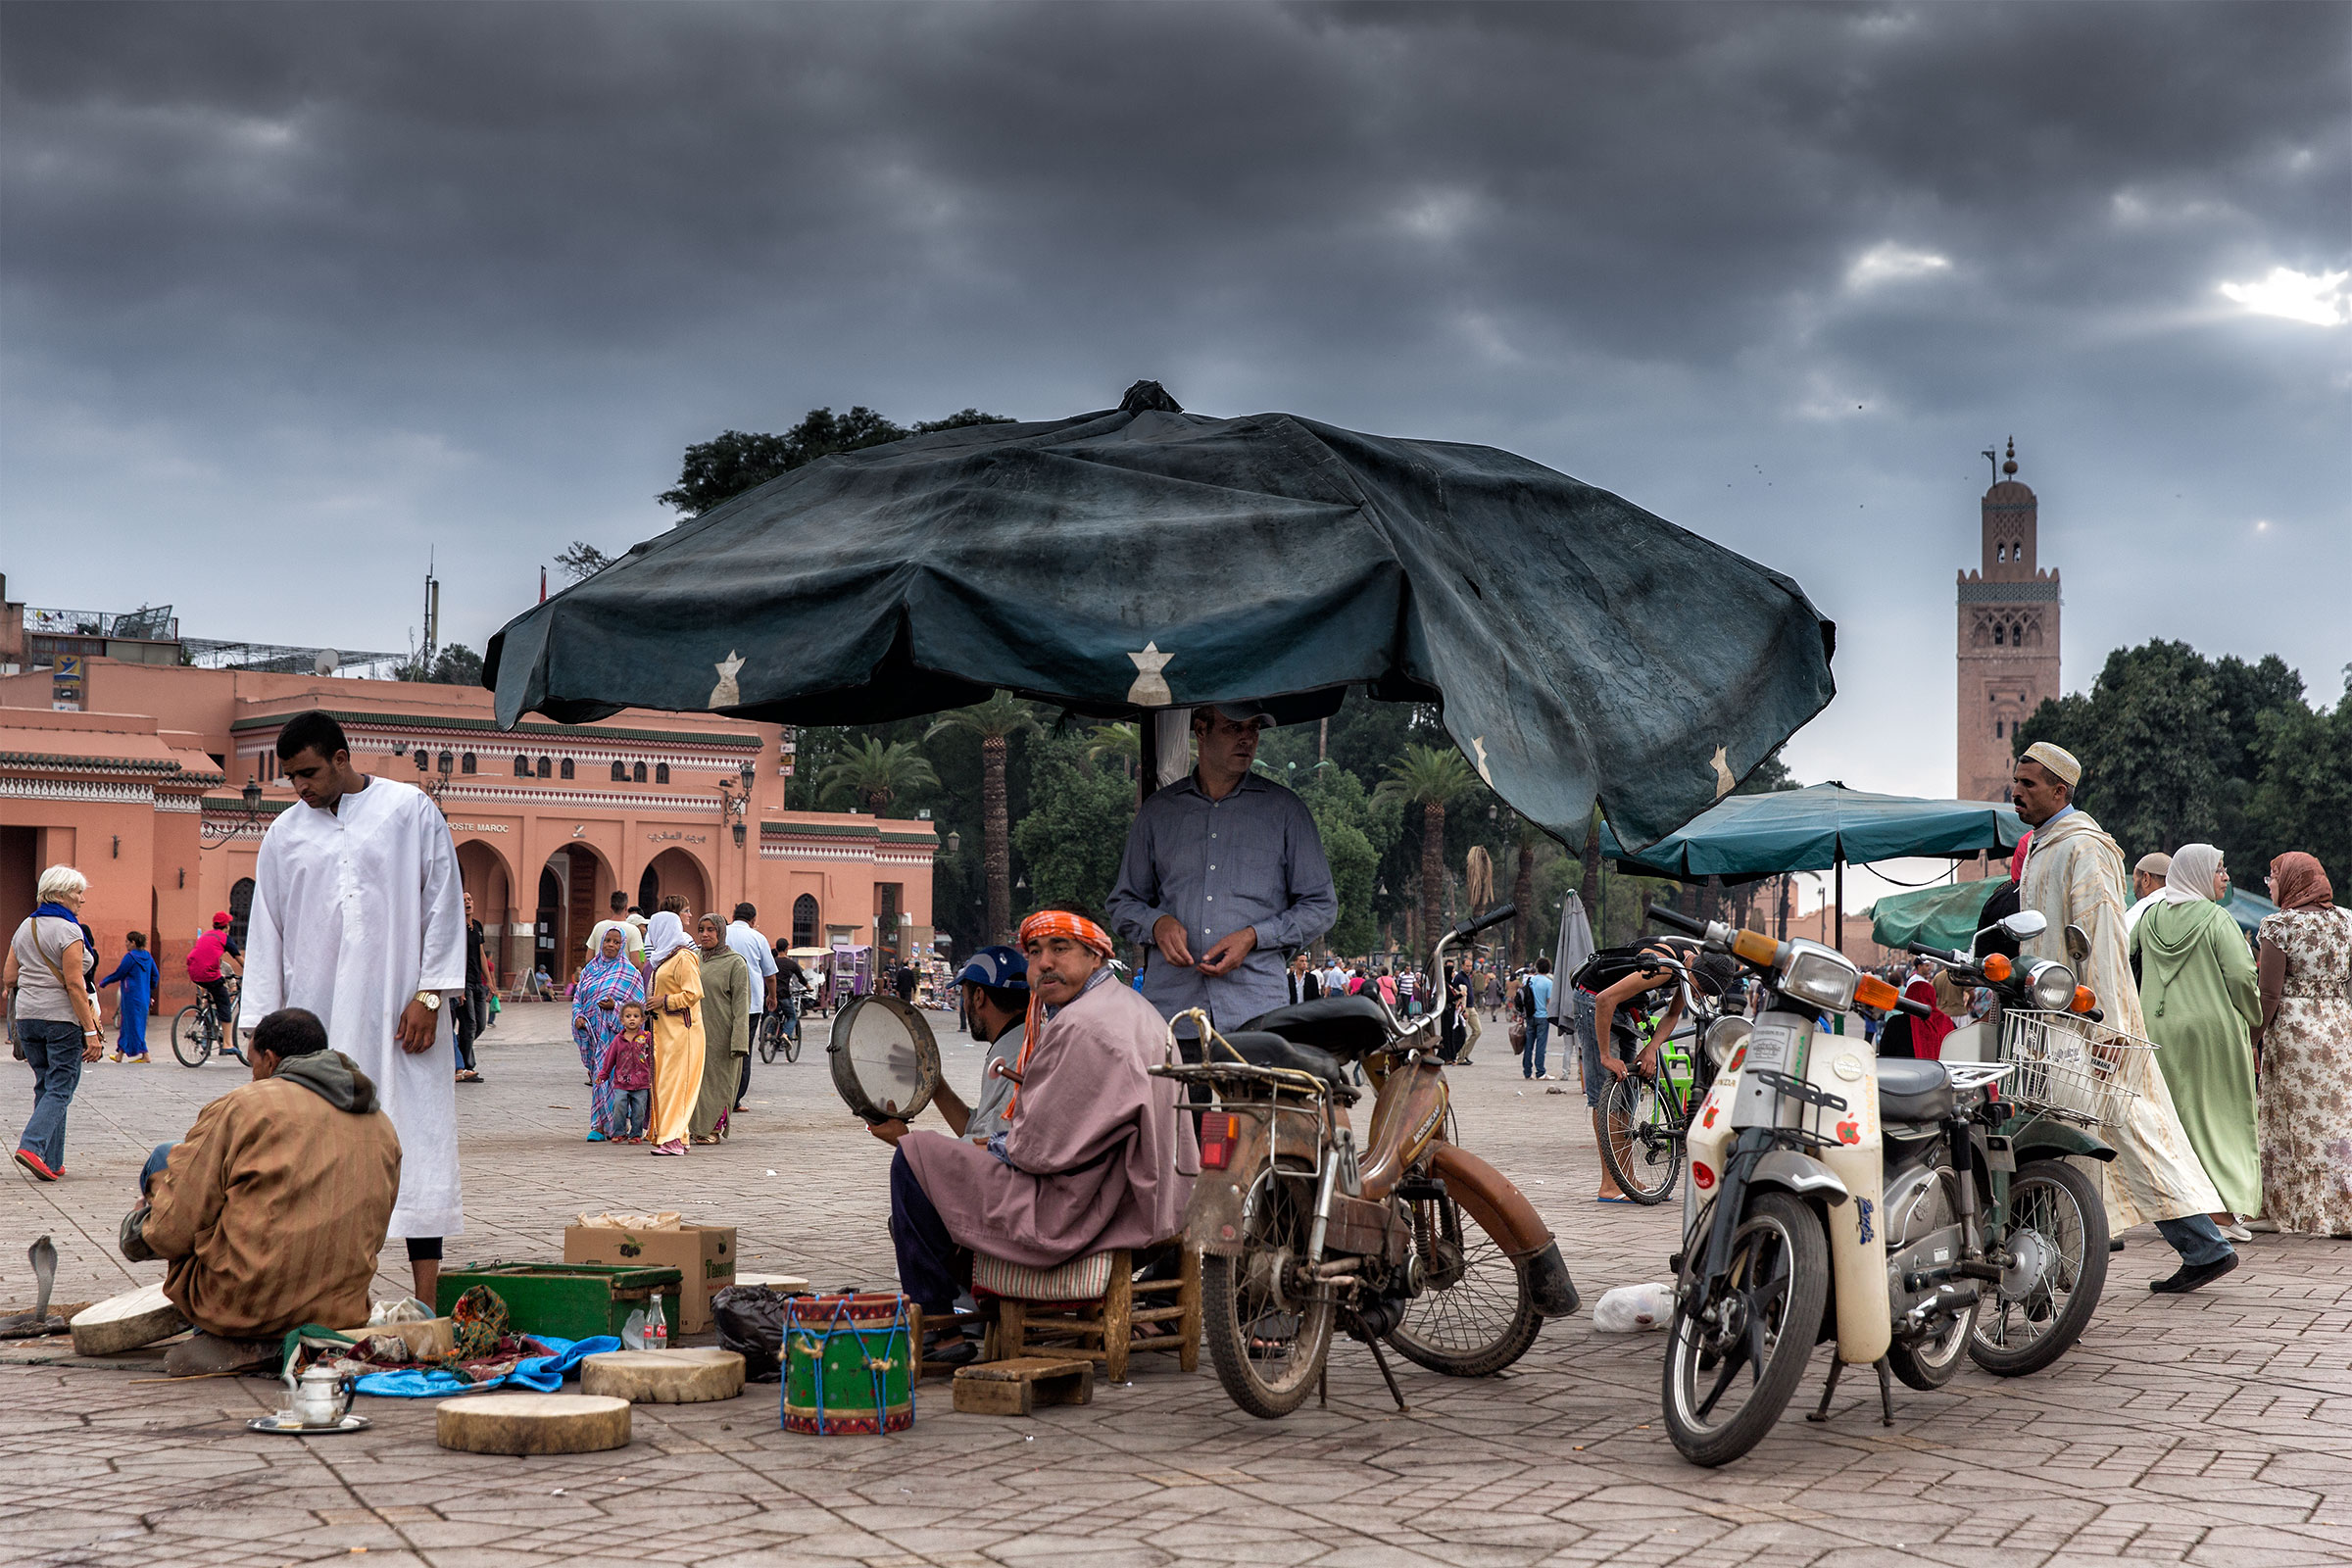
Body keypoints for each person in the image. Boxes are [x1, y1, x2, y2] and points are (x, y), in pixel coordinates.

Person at [874, 909, 1197, 1363]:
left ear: (1095, 956)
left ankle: (938, 1327)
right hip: (1134, 1194)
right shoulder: (1133, 1008)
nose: (1045, 963)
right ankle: (969, 1314)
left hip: (1079, 1206)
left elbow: (1039, 1150)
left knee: (914, 1154)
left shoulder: (1080, 1025)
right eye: (1035, 952)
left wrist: (1000, 1146)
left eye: (1060, 949)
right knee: (945, 1161)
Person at [239, 709, 466, 1304]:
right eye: (291, 777)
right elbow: (267, 932)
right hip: (319, 1026)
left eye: (309, 772)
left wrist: (429, 993)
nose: (300, 787)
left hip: (402, 1018)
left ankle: (426, 1301)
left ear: (342, 758)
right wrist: (260, 1027)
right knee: (323, 1157)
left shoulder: (408, 811)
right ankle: (337, 1300)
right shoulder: (284, 834)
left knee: (417, 1141)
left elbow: (442, 901)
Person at [2011, 741, 2235, 1293]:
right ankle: (2196, 1246)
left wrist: (2104, 1025)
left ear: (2060, 791)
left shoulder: (2085, 848)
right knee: (2098, 1133)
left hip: (2085, 1020)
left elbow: (2102, 941)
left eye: (2029, 785)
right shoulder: (2044, 845)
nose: (2017, 793)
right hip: (2052, 1018)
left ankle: (2197, 1245)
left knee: (2119, 1131)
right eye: (2015, 783)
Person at [120, 1006, 401, 1377]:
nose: (253, 1075)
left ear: (270, 1060)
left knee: (165, 1159)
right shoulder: (381, 1122)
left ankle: (240, 1333)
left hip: (247, 1304)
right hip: (340, 1311)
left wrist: (139, 1225)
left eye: (252, 1063)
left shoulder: (243, 1107)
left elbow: (174, 1230)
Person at [1106, 703, 1337, 1035]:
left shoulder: (1286, 811)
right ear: (1201, 730)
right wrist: (1156, 923)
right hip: (1174, 1018)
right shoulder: (1158, 812)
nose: (1247, 739)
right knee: (1174, 1091)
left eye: (1253, 728)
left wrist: (1254, 937)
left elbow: (1321, 905)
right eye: (1234, 728)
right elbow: (1122, 903)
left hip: (1258, 1015)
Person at [2132, 844, 2263, 1239]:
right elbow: (2241, 975)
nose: (2224, 877)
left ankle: (2184, 1205)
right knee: (2220, 1119)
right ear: (2200, 873)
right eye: (2219, 869)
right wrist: (2253, 1014)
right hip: (2212, 1034)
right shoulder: (2217, 920)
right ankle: (2223, 1210)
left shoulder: (2150, 916)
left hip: (2159, 1030)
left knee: (2176, 1121)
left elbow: (2123, 956)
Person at [2253, 852, 2352, 1238]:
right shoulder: (2347, 920)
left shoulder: (2278, 926)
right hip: (2339, 1026)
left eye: (2273, 878)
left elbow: (2269, 994)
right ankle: (2341, 1207)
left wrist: (2252, 1038)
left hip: (2295, 1033)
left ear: (2292, 882)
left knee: (2291, 1122)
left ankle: (2297, 1209)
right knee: (2337, 1120)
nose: (2271, 885)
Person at [7, 865, 106, 1181]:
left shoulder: (25, 926)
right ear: (61, 894)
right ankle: (32, 1146)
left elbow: (9, 976)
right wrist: (91, 1031)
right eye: (78, 892)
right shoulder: (69, 931)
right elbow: (75, 985)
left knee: (46, 1085)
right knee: (61, 1087)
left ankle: (51, 1159)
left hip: (28, 1016)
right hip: (60, 1019)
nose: (82, 899)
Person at [1580, 942, 1690, 1202]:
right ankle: (1609, 1185)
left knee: (1627, 1093)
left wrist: (1651, 1049)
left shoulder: (1692, 970)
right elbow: (1603, 998)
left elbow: (1673, 1015)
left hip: (1625, 1006)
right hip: (1595, 1000)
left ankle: (1626, 1179)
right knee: (1604, 1096)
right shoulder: (1665, 967)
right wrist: (1605, 1056)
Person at [928, 945, 1028, 1144]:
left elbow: (987, 1151)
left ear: (979, 997)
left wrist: (903, 1139)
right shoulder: (1020, 1043)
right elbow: (980, 1129)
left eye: (964, 997)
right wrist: (932, 1080)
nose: (964, 1006)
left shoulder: (1019, 1061)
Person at [571, 921, 644, 1142]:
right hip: (594, 1037)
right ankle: (599, 1126)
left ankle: (619, 1126)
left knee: (617, 1081)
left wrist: (616, 1007)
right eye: (608, 941)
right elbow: (578, 999)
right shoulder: (590, 970)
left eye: (616, 942)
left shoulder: (630, 974)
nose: (611, 945)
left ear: (623, 945)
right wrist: (579, 1017)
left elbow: (638, 1006)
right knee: (599, 1078)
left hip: (619, 1040)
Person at [641, 910, 705, 1155]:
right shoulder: (664, 958)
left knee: (675, 1085)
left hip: (683, 1033)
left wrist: (664, 1001)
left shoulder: (683, 957)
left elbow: (694, 993)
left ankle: (672, 1139)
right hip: (666, 1033)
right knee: (666, 1083)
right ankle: (678, 1135)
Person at [691, 913, 751, 1143]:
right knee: (698, 1082)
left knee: (719, 1083)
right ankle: (696, 1127)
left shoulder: (735, 963)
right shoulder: (694, 958)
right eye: (701, 929)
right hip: (695, 1031)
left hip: (722, 1035)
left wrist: (739, 1041)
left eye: (711, 930)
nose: (705, 934)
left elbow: (741, 1005)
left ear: (721, 932)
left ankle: (713, 1129)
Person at [725, 904, 777, 1111]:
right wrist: (772, 996)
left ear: (733, 915)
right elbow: (770, 974)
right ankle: (736, 1098)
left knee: (721, 1047)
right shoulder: (758, 938)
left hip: (723, 1000)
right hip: (751, 1003)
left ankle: (720, 1095)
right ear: (753, 919)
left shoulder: (721, 933)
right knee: (743, 1050)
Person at [99, 930, 160, 1063]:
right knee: (128, 1024)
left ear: (133, 942)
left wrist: (104, 982)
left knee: (133, 1025)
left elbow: (120, 973)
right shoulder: (148, 957)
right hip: (143, 996)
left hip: (131, 996)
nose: (125, 944)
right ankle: (120, 1054)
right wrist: (149, 989)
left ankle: (145, 1055)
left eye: (127, 941)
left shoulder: (130, 957)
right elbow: (155, 976)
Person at [599, 1002, 655, 1143]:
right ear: (622, 1020)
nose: (632, 1019)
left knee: (639, 1111)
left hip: (642, 1083)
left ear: (642, 1020)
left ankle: (635, 1135)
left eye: (636, 1016)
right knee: (619, 1108)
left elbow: (655, 1056)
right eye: (628, 1016)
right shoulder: (618, 1040)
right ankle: (619, 1132)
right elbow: (610, 1058)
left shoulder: (647, 1038)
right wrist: (603, 1074)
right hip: (622, 1082)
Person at [185, 910, 241, 1026]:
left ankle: (204, 1015)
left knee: (210, 995)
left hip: (193, 972)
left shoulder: (205, 935)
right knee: (225, 1003)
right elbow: (240, 959)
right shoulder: (225, 938)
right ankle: (227, 1043)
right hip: (209, 974)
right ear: (227, 926)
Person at [453, 892, 487, 1084]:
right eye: (464, 900)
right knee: (469, 1024)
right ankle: (466, 1066)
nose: (468, 902)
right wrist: (458, 986)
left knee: (480, 1024)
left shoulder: (478, 927)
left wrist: (489, 981)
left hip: (477, 983)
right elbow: (457, 955)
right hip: (463, 983)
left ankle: (456, 1046)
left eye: (470, 899)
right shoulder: (457, 928)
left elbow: (481, 955)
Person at [1518, 958, 1555, 1079]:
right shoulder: (1549, 983)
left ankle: (1527, 1071)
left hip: (1530, 1016)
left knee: (1528, 1044)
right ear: (1548, 969)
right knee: (1541, 1045)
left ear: (1537, 967)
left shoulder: (1529, 980)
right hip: (1543, 1016)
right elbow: (1549, 1001)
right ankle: (1540, 1071)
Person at [2125, 852, 2173, 936]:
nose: (2133, 888)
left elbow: (2120, 943)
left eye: (2134, 880)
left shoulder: (2142, 910)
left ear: (2146, 879)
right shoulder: (2187, 906)